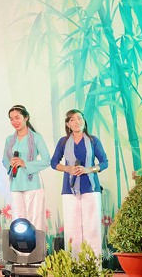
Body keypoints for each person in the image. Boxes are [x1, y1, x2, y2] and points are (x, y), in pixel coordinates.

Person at [50, 108, 108, 256]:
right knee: (72, 228)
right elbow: (54, 163)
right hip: (69, 190)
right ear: (68, 124)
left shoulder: (93, 140)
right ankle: (74, 263)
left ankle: (93, 264)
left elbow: (104, 162)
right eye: (72, 120)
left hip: (91, 188)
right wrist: (68, 169)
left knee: (92, 228)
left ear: (84, 121)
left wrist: (88, 169)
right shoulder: (63, 142)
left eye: (79, 118)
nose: (77, 122)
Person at [2, 104, 51, 232]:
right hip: (16, 183)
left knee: (34, 221)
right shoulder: (9, 140)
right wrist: (10, 162)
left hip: (32, 183)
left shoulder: (36, 137)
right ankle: (20, 246)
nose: (14, 122)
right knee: (18, 221)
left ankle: (36, 245)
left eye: (17, 118)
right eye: (11, 119)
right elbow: (5, 160)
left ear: (26, 117)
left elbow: (47, 160)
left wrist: (25, 164)